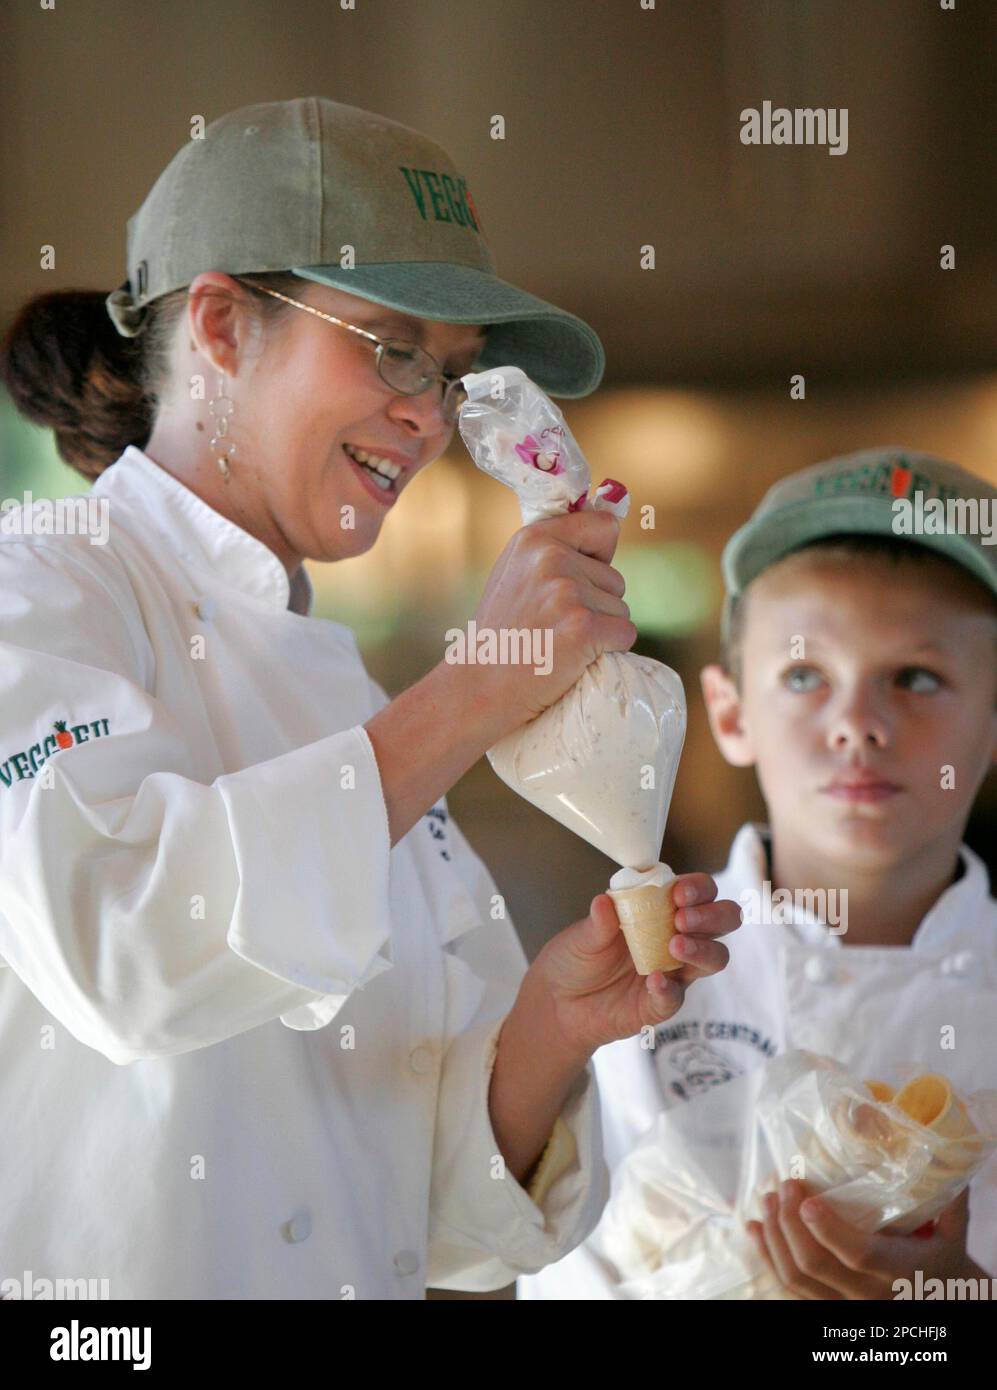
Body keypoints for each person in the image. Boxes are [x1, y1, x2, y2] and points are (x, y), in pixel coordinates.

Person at [0, 96, 740, 1300]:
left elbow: (429, 1222)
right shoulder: (38, 585)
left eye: (451, 377)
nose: (428, 418)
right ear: (222, 324)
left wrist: (555, 1024)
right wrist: (476, 689)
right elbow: (121, 951)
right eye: (393, 347)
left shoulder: (341, 688)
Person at [519, 446, 997, 1299]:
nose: (857, 722)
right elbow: (551, 1266)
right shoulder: (646, 981)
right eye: (805, 675)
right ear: (731, 714)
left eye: (916, 677)